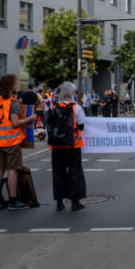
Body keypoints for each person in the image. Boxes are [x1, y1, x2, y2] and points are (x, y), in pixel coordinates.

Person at [0, 74, 35, 211]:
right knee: (12, 170)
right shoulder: (12, 103)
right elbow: (15, 122)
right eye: (15, 84)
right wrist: (29, 119)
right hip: (11, 141)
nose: (17, 87)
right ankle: (13, 201)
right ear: (10, 86)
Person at [49, 82, 87, 212]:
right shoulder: (76, 108)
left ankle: (59, 203)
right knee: (74, 172)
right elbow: (81, 126)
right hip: (73, 145)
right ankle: (75, 202)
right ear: (72, 93)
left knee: (58, 173)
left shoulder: (54, 107)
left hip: (56, 146)